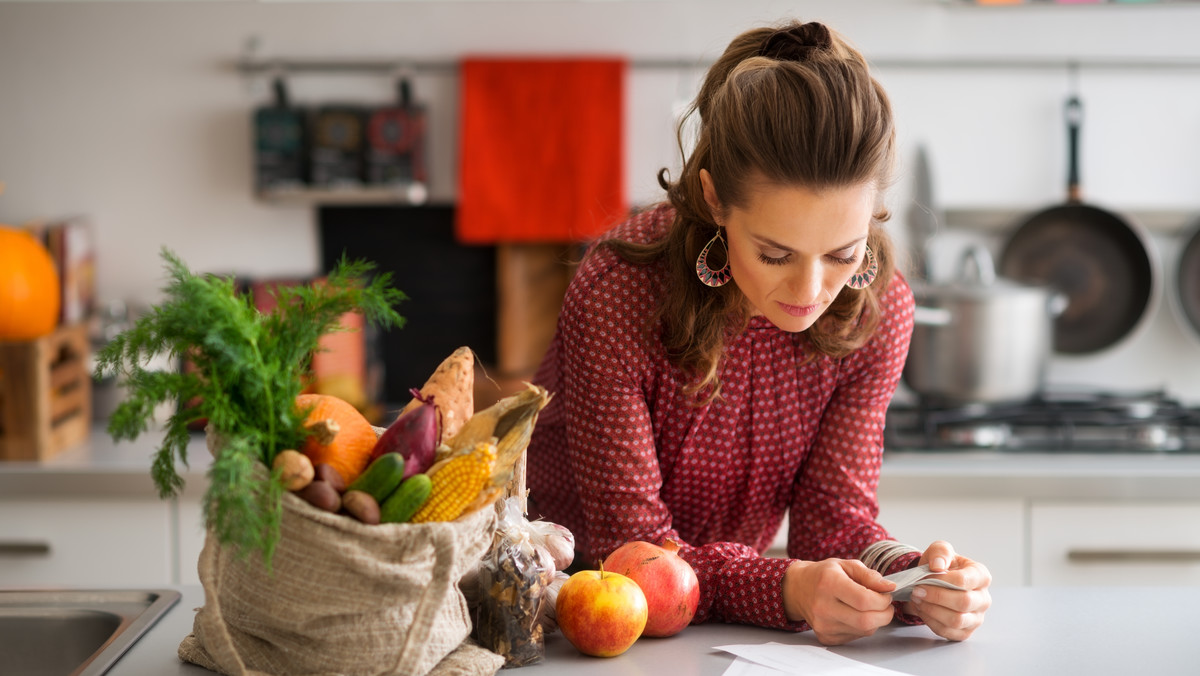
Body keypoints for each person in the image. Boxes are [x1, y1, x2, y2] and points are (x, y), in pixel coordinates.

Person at [525, 19, 992, 645]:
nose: (810, 294)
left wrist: (912, 581)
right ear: (716, 199)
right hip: (566, 620)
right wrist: (788, 588)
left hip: (717, 634)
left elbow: (833, 523)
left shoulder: (879, 314)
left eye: (843, 253)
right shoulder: (617, 296)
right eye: (775, 254)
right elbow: (631, 555)